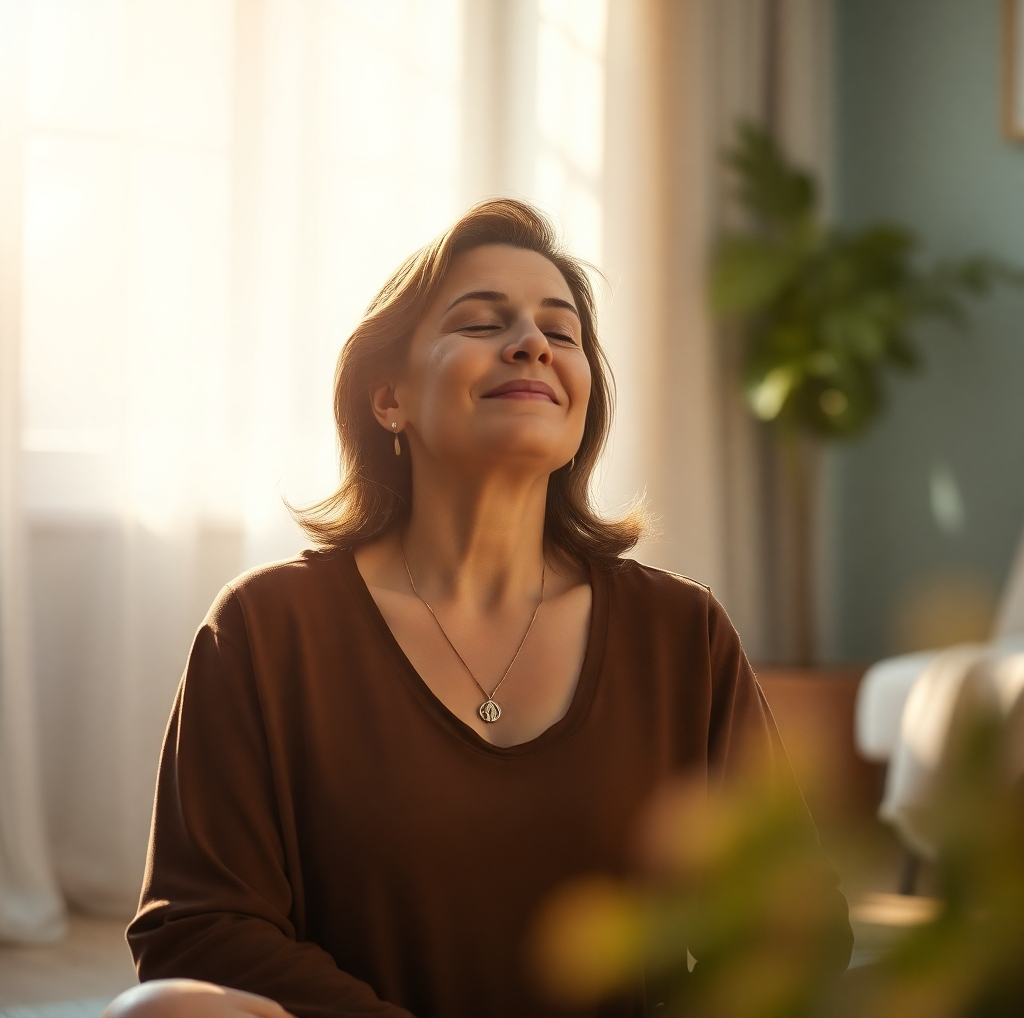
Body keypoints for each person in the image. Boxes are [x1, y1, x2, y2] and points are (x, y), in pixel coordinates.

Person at [115, 200, 852, 1018]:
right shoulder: (265, 626)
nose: (533, 342)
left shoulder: (681, 632)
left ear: (581, 405)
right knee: (161, 1013)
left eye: (561, 332)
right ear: (387, 397)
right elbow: (197, 928)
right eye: (479, 322)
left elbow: (796, 923)